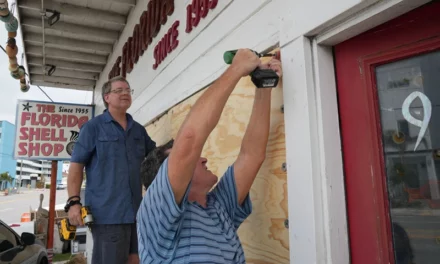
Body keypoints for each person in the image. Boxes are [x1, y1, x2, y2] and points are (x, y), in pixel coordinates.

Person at [137, 49, 282, 263]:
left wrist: (264, 84)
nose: (203, 159)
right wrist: (236, 68)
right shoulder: (157, 215)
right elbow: (189, 139)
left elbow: (251, 155)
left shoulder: (218, 205)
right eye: (192, 161)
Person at [66, 76, 156, 264]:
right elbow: (76, 167)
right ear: (107, 97)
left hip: (138, 214)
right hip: (108, 215)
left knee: (136, 260)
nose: (125, 93)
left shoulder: (139, 131)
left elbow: (156, 157)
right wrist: (73, 202)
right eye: (119, 90)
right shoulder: (92, 128)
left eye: (128, 90)